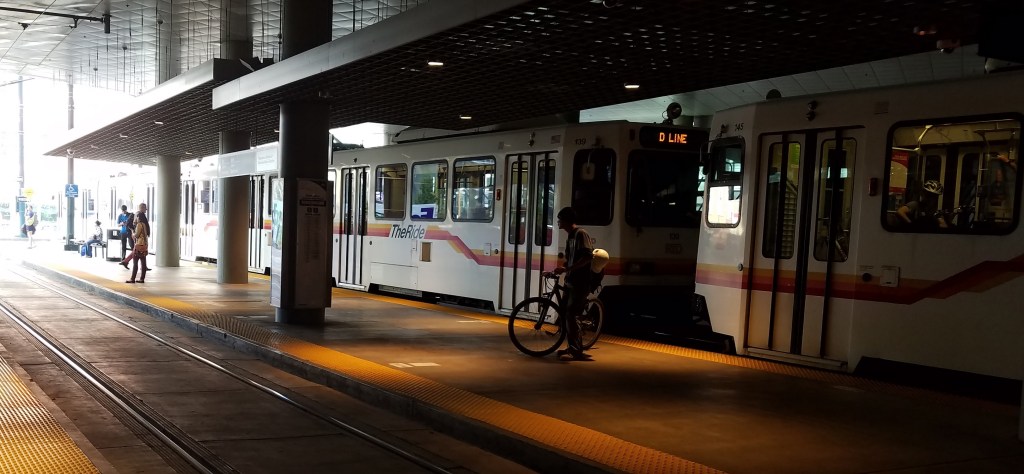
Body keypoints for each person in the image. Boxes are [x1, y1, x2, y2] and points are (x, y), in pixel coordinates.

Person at [551, 207, 594, 361]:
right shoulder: (570, 236)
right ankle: (572, 345)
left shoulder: (581, 234)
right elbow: (569, 259)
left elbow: (587, 257)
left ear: (567, 220)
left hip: (580, 281)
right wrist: (560, 269)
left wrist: (568, 268)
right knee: (565, 313)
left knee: (570, 314)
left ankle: (576, 350)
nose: (558, 222)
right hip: (570, 280)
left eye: (560, 219)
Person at [120, 203, 149, 283]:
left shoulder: (139, 224)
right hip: (144, 244)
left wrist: (133, 233)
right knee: (143, 263)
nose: (135, 218)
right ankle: (142, 278)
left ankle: (132, 279)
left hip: (139, 244)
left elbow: (136, 235)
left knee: (135, 262)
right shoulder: (144, 224)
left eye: (136, 217)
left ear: (138, 217)